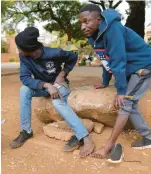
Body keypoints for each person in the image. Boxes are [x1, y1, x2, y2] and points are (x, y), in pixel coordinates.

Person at [79, 4, 151, 162]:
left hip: (143, 67)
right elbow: (106, 59)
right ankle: (149, 138)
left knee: (125, 103)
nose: (83, 26)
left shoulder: (113, 29)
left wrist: (121, 91)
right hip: (132, 67)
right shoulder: (93, 36)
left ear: (99, 19)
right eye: (81, 22)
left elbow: (118, 61)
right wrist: (105, 81)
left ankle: (110, 145)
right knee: (130, 103)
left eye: (87, 21)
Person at [10, 27, 95, 158]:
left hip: (60, 84)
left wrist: (62, 74)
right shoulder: (24, 57)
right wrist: (46, 85)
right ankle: (26, 131)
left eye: (20, 48)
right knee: (24, 90)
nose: (18, 50)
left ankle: (84, 137)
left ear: (30, 49)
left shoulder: (54, 52)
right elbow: (25, 78)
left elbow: (73, 56)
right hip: (44, 86)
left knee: (57, 102)